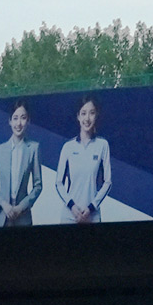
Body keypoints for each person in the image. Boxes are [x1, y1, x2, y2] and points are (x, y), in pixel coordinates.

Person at [0, 100, 41, 227]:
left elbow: (38, 186)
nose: (19, 123)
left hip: (23, 218)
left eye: (23, 118)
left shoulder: (34, 148)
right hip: (1, 219)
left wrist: (21, 207)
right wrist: (3, 204)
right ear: (10, 121)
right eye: (15, 118)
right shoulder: (0, 150)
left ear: (28, 121)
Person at [58, 96, 112, 224]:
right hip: (69, 216)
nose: (87, 118)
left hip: (93, 216)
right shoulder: (68, 147)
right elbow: (58, 183)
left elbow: (108, 182)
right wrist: (72, 207)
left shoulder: (102, 145)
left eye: (91, 113)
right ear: (78, 116)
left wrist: (91, 208)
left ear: (96, 115)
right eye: (83, 113)